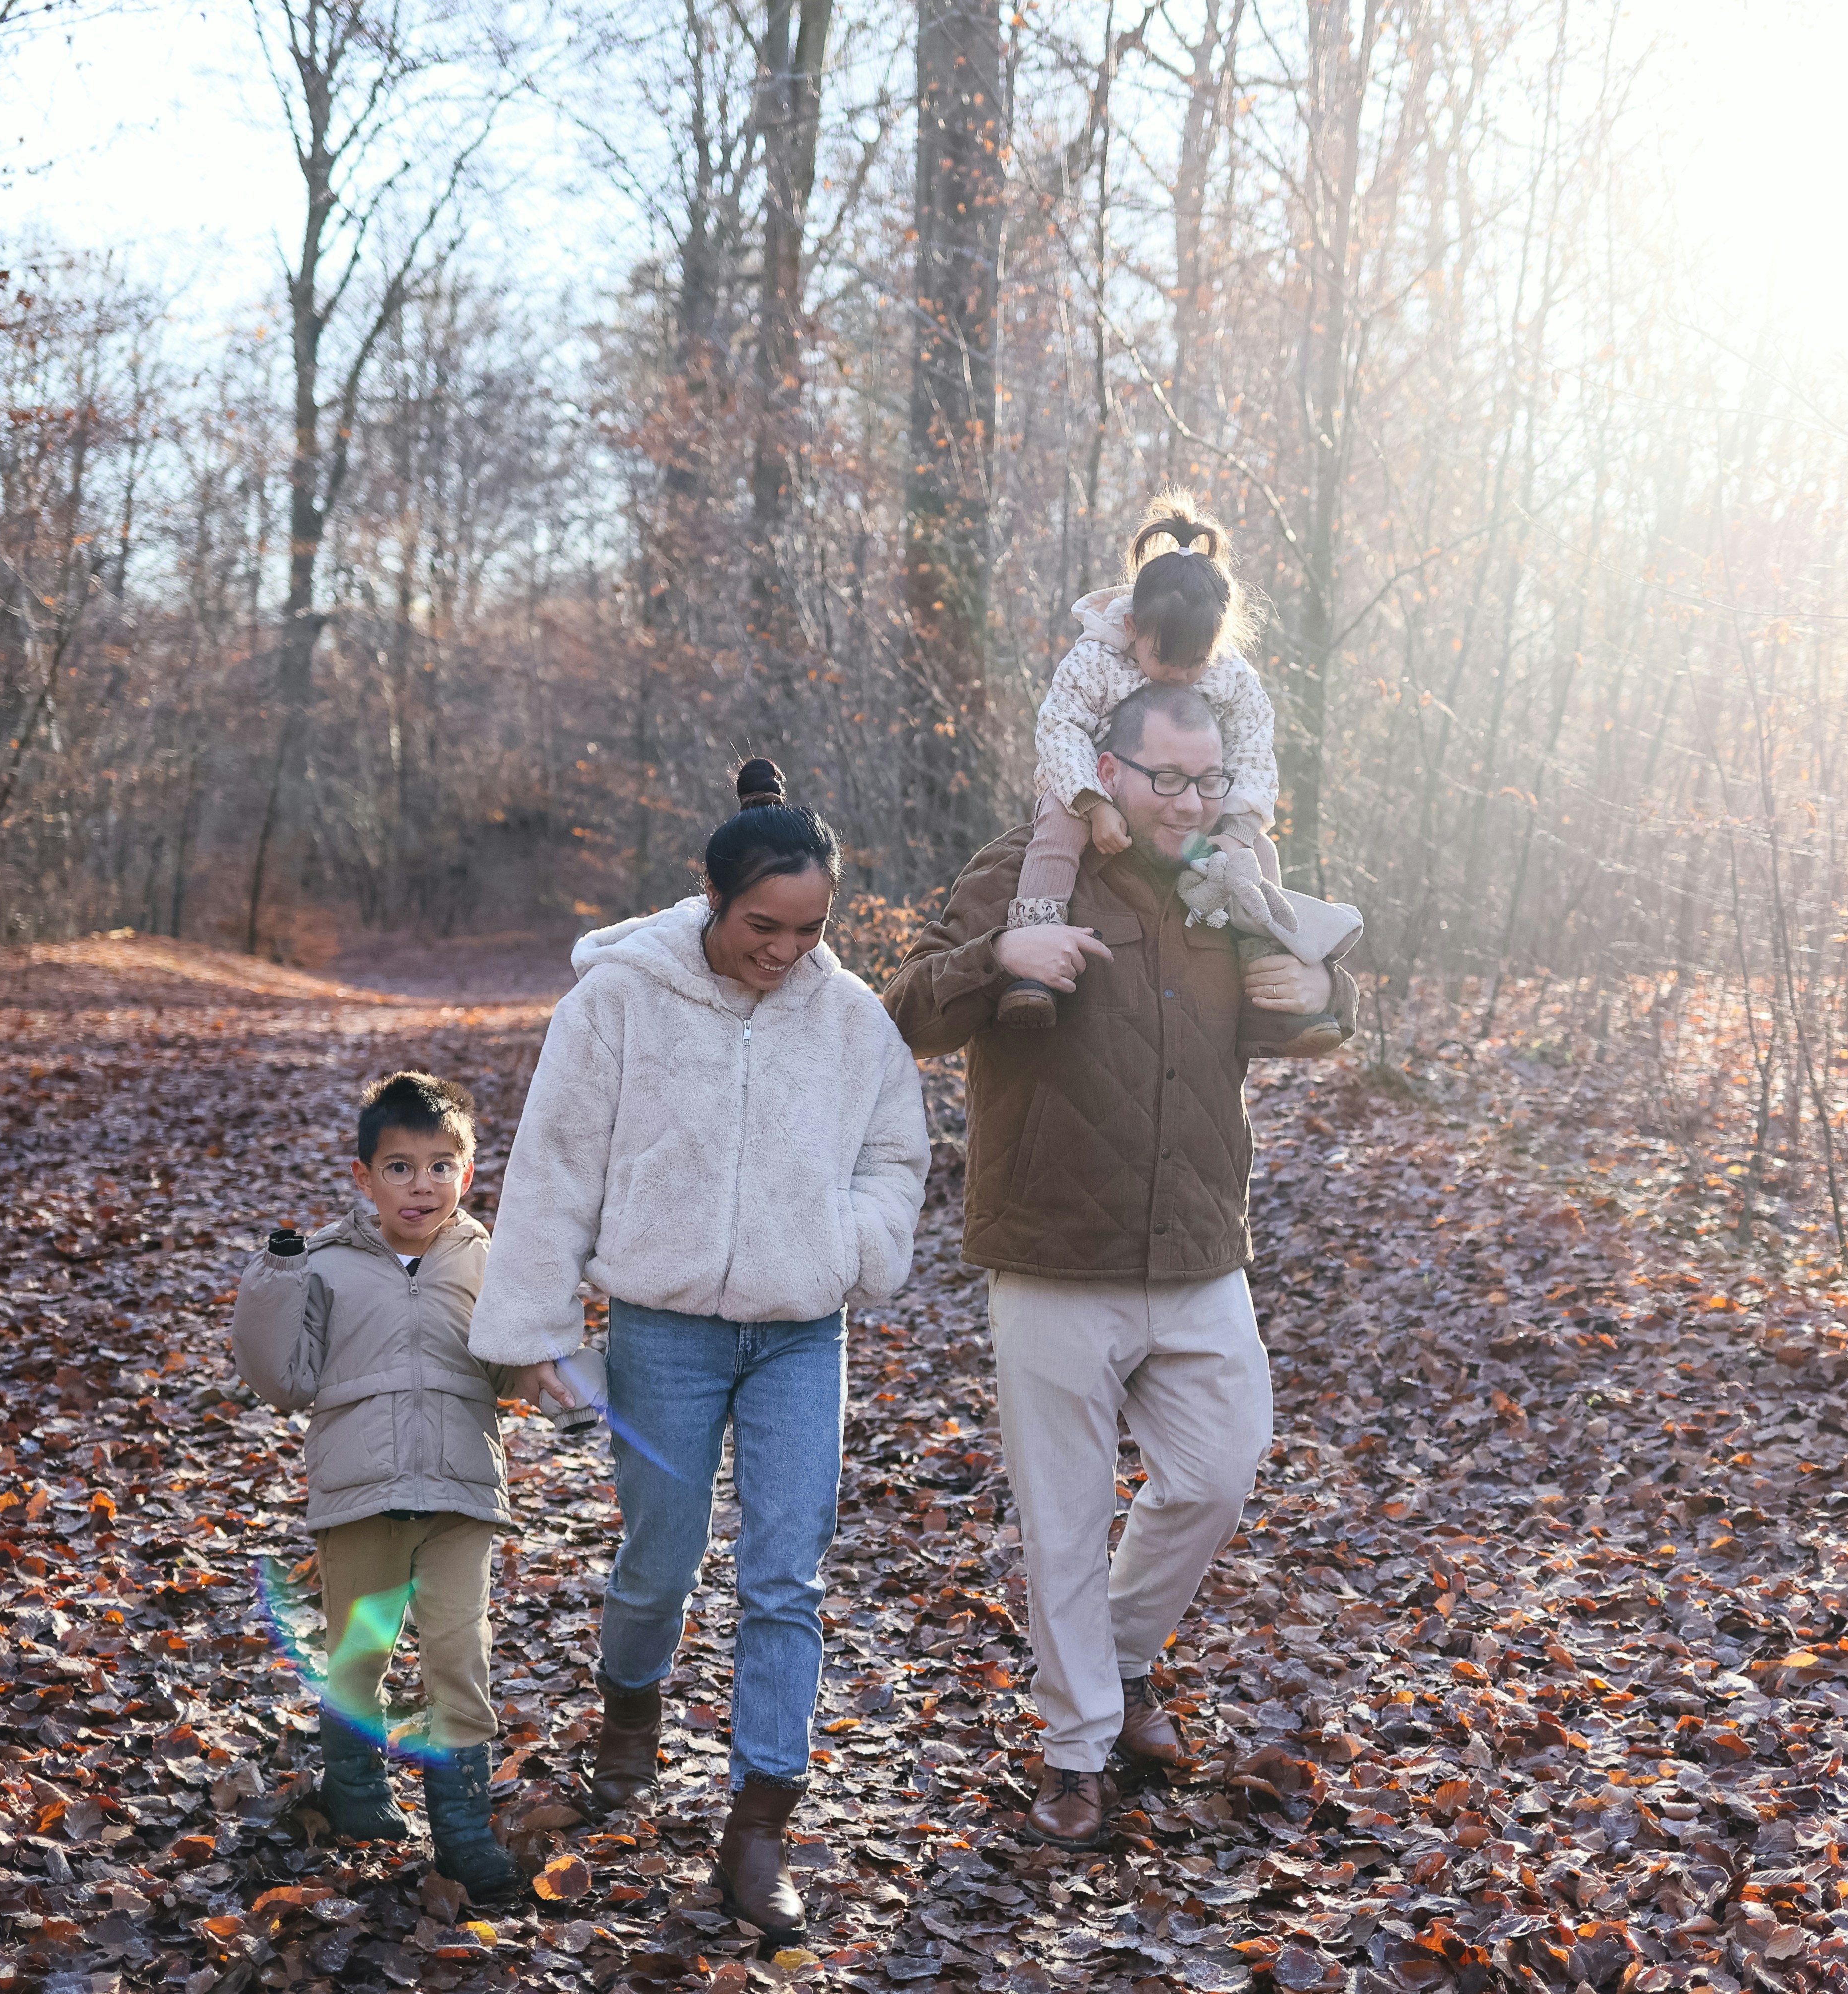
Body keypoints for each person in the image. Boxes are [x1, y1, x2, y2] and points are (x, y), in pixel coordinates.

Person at [880, 683, 1356, 1851]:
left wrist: (1326, 996)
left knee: (1219, 1469)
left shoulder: (1234, 874)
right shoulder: (1025, 863)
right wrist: (1003, 951)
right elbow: (904, 1006)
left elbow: (1300, 1009)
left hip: (1198, 1243)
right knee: (1064, 1517)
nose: (1189, 804)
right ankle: (1077, 1749)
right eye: (1166, 780)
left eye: (1208, 780)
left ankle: (1124, 1660)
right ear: (1108, 767)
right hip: (1053, 1247)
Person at [468, 759, 930, 1944]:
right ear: (711, 902)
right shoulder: (620, 1000)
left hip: (798, 1335)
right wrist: (532, 1330)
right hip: (663, 1329)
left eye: (810, 929)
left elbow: (895, 1154)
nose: (785, 951)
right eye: (762, 926)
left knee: (787, 1573)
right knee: (659, 1558)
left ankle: (759, 1822)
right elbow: (557, 1164)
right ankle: (629, 1734)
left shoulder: (849, 1016)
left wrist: (857, 1240)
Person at [230, 1071, 536, 1905]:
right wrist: (276, 1278)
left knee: (456, 1653)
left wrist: (543, 1348)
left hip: (461, 1491)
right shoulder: (327, 1265)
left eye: (441, 1164)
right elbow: (282, 1379)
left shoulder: (490, 1259)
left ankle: (465, 1834)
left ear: (467, 1174)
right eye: (400, 1166)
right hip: (360, 1492)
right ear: (363, 1175)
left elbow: (512, 1367)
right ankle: (357, 1796)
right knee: (359, 1652)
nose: (422, 1183)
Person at [1000, 490, 1344, 1055]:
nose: (1182, 676)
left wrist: (1237, 826)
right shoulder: (1095, 660)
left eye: (1196, 663)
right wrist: (1093, 802)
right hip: (1090, 784)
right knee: (1056, 831)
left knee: (1258, 858)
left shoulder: (1231, 677)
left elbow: (1256, 746)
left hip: (1202, 796)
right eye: (1167, 661)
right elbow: (1060, 727)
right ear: (1133, 627)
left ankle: (1273, 967)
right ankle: (1036, 950)